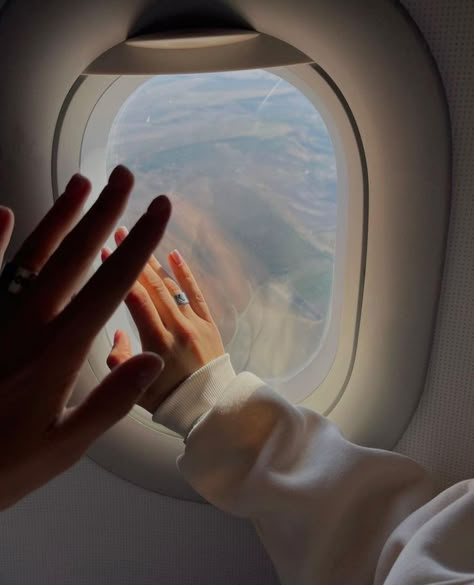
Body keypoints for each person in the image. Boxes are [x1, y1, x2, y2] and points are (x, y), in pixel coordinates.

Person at [1, 168, 473, 584]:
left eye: (202, 251)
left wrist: (212, 400)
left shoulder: (303, 338)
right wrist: (211, 399)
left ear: (251, 271)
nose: (169, 270)